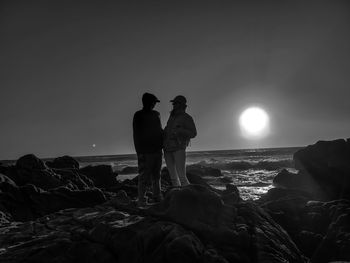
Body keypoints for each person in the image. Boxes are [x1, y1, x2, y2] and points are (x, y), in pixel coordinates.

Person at [133, 92, 163, 207]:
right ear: (150, 102)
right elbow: (136, 134)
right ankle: (142, 199)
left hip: (156, 150)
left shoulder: (156, 114)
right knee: (145, 176)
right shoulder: (139, 115)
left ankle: (156, 196)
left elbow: (160, 131)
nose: (155, 104)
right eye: (154, 102)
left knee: (156, 175)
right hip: (146, 151)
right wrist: (139, 152)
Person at [163, 95, 197, 186]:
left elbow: (193, 133)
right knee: (173, 177)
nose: (173, 105)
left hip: (179, 148)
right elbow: (167, 129)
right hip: (167, 149)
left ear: (181, 105)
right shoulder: (172, 117)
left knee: (182, 177)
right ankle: (177, 196)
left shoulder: (187, 117)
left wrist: (181, 131)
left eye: (175, 103)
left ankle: (188, 196)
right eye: (173, 103)